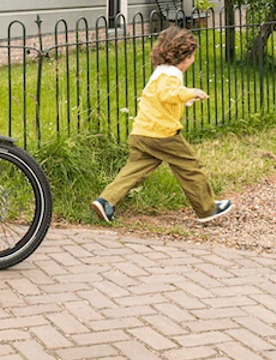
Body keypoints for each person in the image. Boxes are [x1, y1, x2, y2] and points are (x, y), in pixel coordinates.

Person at [91, 26, 233, 225]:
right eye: (192, 56)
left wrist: (182, 99)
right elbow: (168, 94)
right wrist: (191, 92)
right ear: (185, 57)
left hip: (141, 132)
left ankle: (105, 201)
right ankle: (207, 209)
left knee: (135, 169)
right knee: (190, 166)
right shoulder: (172, 75)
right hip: (162, 134)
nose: (192, 60)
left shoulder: (159, 72)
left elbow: (161, 98)